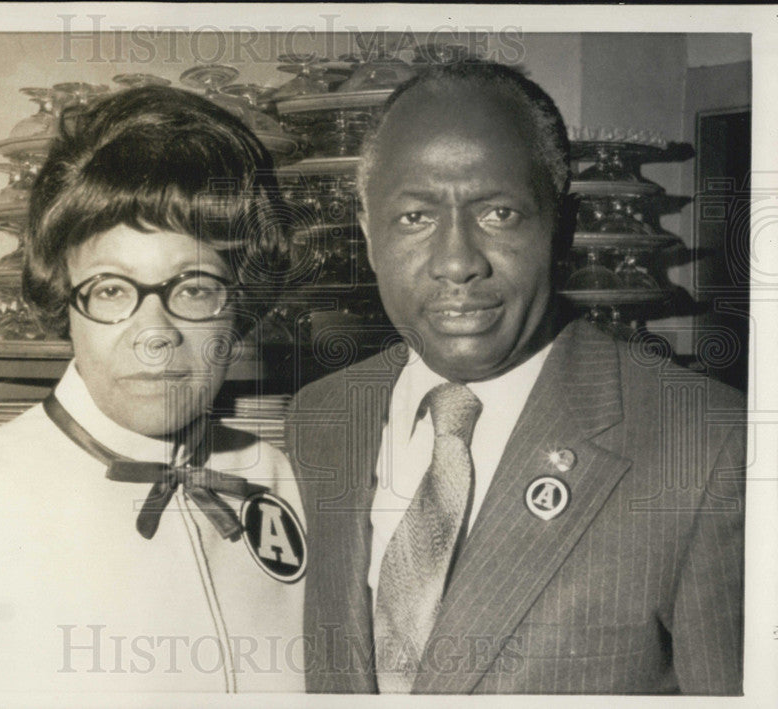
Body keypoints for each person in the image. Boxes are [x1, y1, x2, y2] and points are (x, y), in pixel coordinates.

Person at [286, 60, 746, 694]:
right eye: (415, 218)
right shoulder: (320, 418)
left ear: (562, 227)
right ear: (367, 234)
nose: (456, 262)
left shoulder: (709, 444)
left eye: (499, 213)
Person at [0, 86, 306, 693]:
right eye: (112, 290)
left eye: (196, 289)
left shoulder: (282, 478)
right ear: (61, 298)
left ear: (240, 306)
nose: (155, 336)